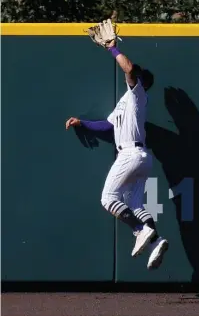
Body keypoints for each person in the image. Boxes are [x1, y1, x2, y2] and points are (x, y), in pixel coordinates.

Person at [66, 39, 168, 270]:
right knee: (136, 205)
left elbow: (129, 68)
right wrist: (82, 123)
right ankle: (156, 242)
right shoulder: (126, 102)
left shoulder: (137, 94)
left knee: (108, 199)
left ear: (142, 82)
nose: (131, 76)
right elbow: (108, 127)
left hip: (130, 155)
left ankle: (139, 230)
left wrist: (111, 48)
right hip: (141, 157)